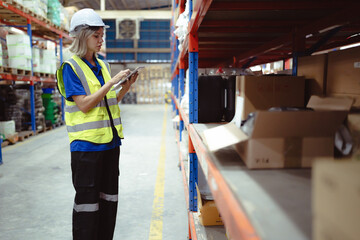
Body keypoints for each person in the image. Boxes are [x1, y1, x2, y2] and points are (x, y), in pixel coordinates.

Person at [56, 8, 138, 240]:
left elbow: (108, 101)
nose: (101, 40)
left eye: (102, 35)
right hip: (87, 149)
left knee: (108, 200)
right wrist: (112, 82)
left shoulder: (102, 65)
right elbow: (85, 105)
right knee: (87, 205)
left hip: (110, 144)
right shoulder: (70, 68)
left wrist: (126, 86)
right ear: (82, 36)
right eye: (97, 36)